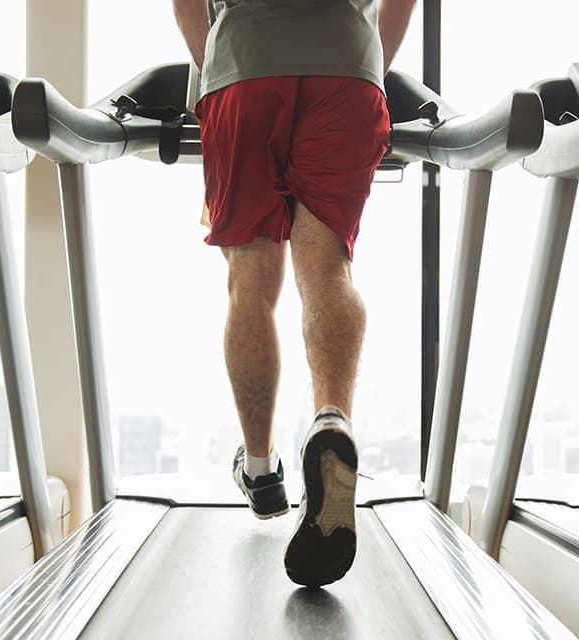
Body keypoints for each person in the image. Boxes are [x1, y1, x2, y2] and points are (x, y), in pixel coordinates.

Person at [172, 0, 417, 587]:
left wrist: (219, 69)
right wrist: (368, 64)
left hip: (244, 67)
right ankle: (332, 419)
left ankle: (260, 469)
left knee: (251, 284)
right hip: (347, 69)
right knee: (328, 269)